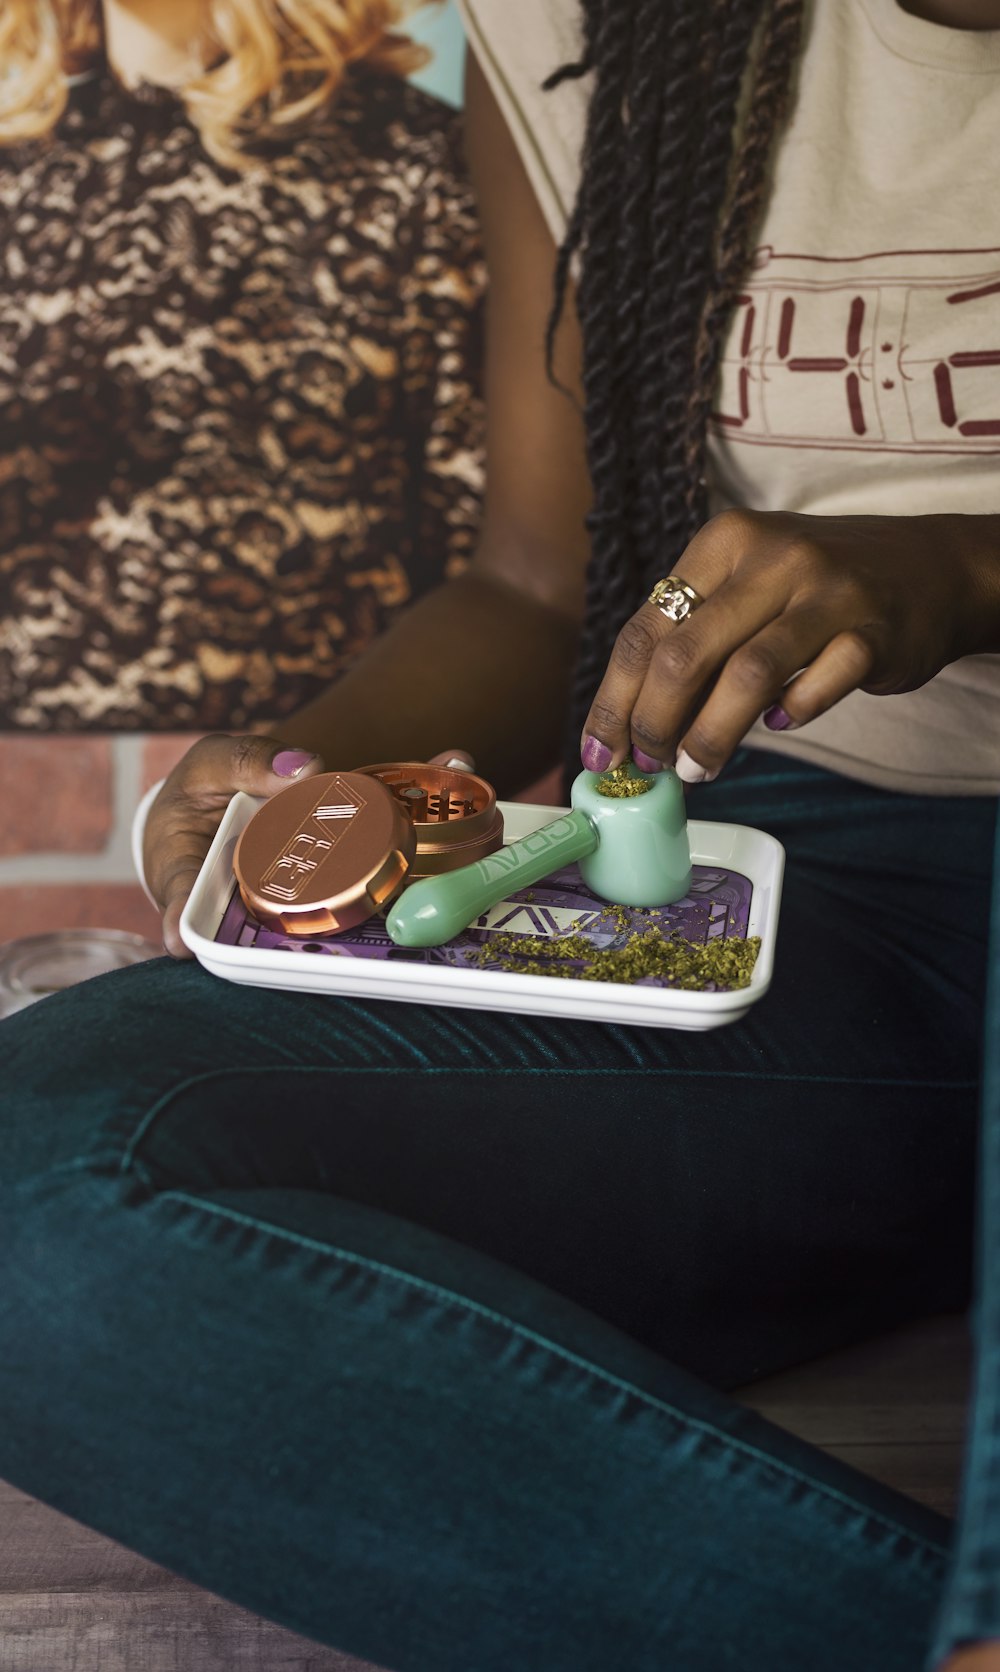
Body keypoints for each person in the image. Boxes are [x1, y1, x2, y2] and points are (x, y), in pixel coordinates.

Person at [2, 1, 999, 1669]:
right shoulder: (603, 25)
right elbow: (537, 587)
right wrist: (317, 775)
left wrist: (964, 571)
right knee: (35, 1193)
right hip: (803, 902)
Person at [0, 0, 484, 733]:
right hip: (29, 797)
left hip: (310, 790)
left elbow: (484, 562)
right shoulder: (16, 167)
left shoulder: (410, 160)